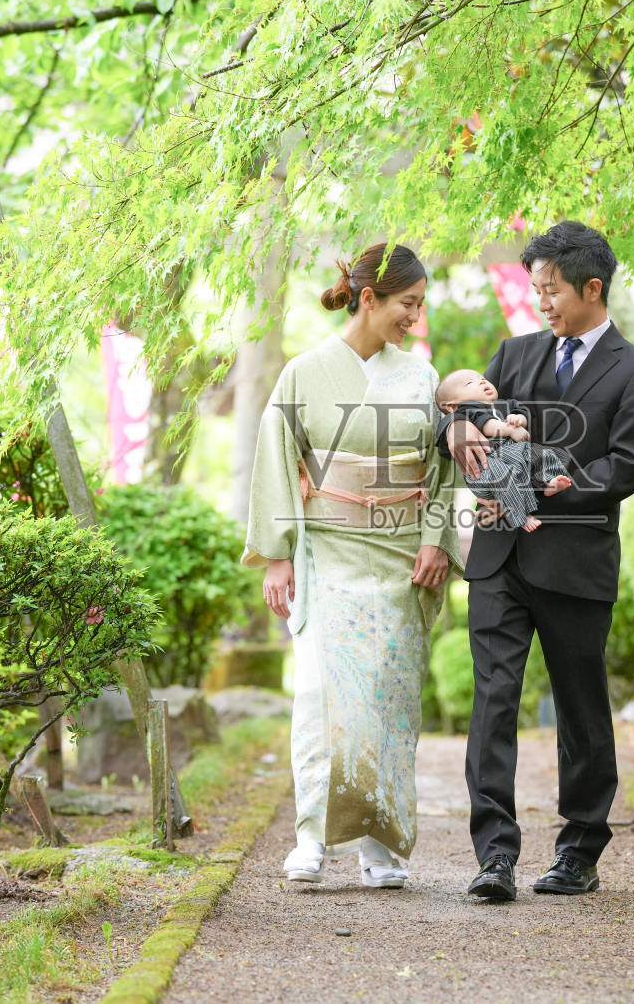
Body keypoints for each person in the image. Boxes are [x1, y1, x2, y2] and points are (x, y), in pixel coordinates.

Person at [442, 221, 634, 902]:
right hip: (500, 556)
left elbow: (625, 466)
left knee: (581, 709)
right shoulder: (515, 353)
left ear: (593, 288)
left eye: (552, 290)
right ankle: (495, 854)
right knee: (494, 701)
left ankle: (579, 850)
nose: (541, 302)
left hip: (575, 563)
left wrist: (549, 475)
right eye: (535, 289)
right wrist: (452, 425)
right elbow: (472, 414)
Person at [242, 242, 461, 890]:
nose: (415, 318)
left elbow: (442, 469)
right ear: (369, 298)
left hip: (398, 554)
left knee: (389, 700)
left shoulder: (420, 376)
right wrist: (276, 554)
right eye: (407, 304)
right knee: (319, 693)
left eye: (420, 305)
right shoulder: (305, 372)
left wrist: (436, 539)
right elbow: (277, 459)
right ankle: (312, 834)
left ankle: (381, 842)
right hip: (326, 550)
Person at [432, 368, 573, 532]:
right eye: (470, 383)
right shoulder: (467, 410)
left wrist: (518, 419)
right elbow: (487, 424)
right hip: (485, 466)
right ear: (452, 406)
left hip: (511, 452)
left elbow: (521, 412)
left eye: (482, 378)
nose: (482, 381)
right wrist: (510, 430)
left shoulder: (505, 404)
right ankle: (520, 516)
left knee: (541, 454)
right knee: (504, 478)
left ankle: (547, 481)